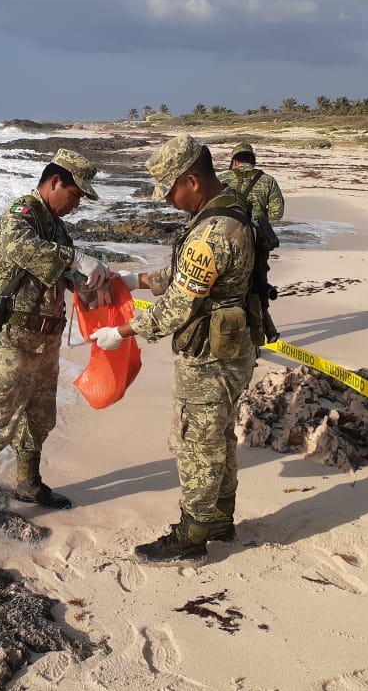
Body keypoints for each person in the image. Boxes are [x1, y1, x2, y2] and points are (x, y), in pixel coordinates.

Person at [91, 135, 257, 564]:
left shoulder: (213, 231)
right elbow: (187, 274)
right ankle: (219, 519)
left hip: (210, 356)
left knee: (196, 442)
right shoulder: (229, 208)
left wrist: (122, 331)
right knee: (217, 436)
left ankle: (192, 534)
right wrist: (135, 281)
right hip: (231, 348)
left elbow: (176, 309)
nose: (166, 199)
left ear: (192, 181)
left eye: (169, 189)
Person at [0, 149, 110, 544]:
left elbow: (68, 273)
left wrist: (89, 280)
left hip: (46, 338)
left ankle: (28, 482)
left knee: (39, 417)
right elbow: (26, 250)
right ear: (54, 181)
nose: (75, 205)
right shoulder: (20, 216)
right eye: (74, 195)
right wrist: (79, 259)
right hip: (13, 339)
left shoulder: (56, 227)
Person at [221, 141, 284, 222]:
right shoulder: (269, 180)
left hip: (227, 229)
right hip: (256, 231)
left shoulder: (221, 179)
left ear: (235, 162)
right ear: (253, 161)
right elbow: (276, 213)